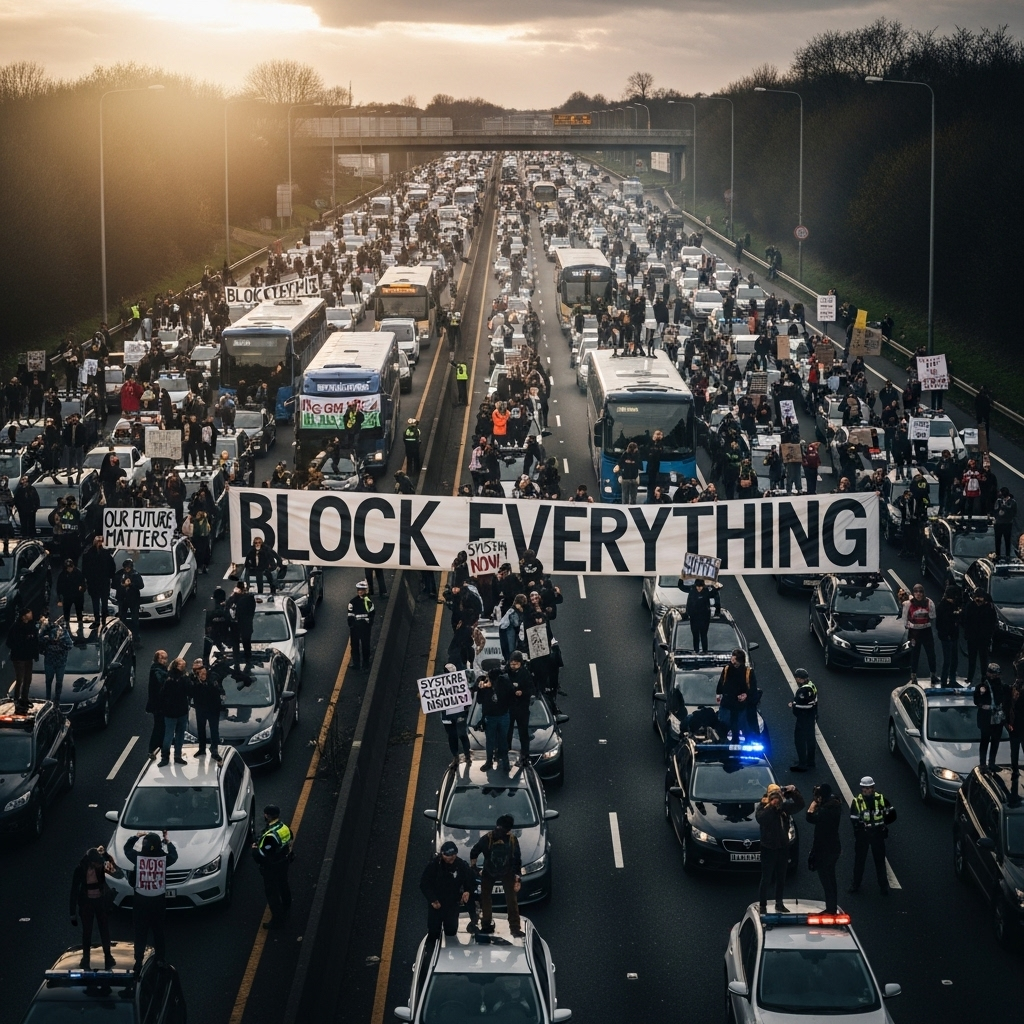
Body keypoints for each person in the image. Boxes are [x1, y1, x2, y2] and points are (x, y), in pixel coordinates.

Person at [469, 814, 523, 937]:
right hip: (507, 872)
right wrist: (517, 877)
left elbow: (474, 851)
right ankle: (515, 929)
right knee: (511, 900)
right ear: (509, 829)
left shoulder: (486, 838)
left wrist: (475, 868)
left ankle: (486, 925)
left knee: (486, 899)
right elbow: (517, 859)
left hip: (488, 872)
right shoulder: (512, 839)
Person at [755, 783, 804, 913]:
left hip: (783, 847)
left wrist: (794, 791)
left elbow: (800, 805)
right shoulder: (762, 807)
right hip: (768, 848)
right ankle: (762, 905)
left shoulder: (784, 807)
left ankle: (779, 903)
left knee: (781, 877)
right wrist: (771, 806)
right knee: (766, 877)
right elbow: (761, 819)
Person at [69, 846, 121, 969]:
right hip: (86, 904)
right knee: (87, 931)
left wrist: (107, 856)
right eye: (98, 864)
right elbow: (74, 890)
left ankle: (108, 955)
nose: (100, 866)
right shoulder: (80, 870)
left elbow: (117, 873)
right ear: (91, 862)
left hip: (100, 902)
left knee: (104, 929)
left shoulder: (101, 866)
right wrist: (72, 912)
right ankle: (86, 956)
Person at [848, 776, 896, 896]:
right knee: (860, 861)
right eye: (865, 788)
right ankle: (857, 884)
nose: (866, 790)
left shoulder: (880, 800)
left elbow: (892, 814)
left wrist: (882, 824)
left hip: (875, 834)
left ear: (873, 788)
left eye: (868, 788)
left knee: (878, 861)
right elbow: (853, 819)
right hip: (867, 835)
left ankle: (882, 887)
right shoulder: (858, 801)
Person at [420, 841, 474, 941]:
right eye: (448, 855)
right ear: (443, 854)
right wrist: (433, 900)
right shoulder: (434, 865)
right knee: (434, 932)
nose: (451, 857)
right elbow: (424, 884)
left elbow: (469, 878)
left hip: (452, 904)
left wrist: (467, 891)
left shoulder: (461, 864)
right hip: (437, 904)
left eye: (454, 855)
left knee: (451, 931)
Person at [251, 804, 293, 929]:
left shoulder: (270, 836)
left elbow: (262, 855)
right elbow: (290, 839)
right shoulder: (284, 827)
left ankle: (278, 920)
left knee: (272, 893)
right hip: (284, 862)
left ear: (267, 815)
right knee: (283, 883)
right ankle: (287, 903)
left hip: (272, 868)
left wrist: (254, 850)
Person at [805, 782, 842, 913]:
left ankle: (831, 908)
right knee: (830, 877)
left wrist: (812, 808)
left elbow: (811, 818)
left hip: (825, 849)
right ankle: (831, 906)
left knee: (826, 879)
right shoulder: (835, 805)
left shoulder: (825, 812)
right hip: (834, 847)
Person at [475, 667, 513, 770]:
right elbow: (479, 700)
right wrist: (481, 688)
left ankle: (505, 762)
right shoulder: (485, 687)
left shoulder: (504, 685)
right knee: (490, 741)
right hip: (490, 717)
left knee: (503, 740)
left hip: (503, 716)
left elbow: (511, 697)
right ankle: (489, 762)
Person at [901, 584, 938, 684]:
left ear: (923, 593)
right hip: (914, 632)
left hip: (926, 630)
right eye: (916, 592)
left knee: (931, 654)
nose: (918, 594)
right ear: (913, 593)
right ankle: (913, 676)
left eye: (920, 592)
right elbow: (904, 618)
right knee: (914, 654)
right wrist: (908, 627)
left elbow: (933, 616)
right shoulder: (908, 604)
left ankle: (933, 675)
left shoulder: (929, 603)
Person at [189, 658, 224, 762]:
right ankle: (202, 748)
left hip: (213, 708)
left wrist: (206, 683)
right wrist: (198, 682)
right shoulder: (194, 679)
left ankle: (214, 750)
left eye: (202, 670)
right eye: (198, 671)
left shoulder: (213, 677)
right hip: (200, 708)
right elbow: (191, 692)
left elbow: (217, 690)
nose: (201, 674)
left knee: (214, 729)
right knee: (201, 729)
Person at [716, 649, 754, 743]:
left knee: (742, 729)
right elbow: (721, 686)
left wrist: (746, 695)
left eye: (735, 661)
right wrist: (719, 695)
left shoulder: (748, 672)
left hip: (741, 707)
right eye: (732, 660)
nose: (733, 663)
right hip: (727, 705)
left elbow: (753, 689)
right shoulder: (727, 669)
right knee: (723, 728)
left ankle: (741, 743)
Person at [962, 588, 997, 684]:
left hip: (983, 639)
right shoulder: (970, 606)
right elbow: (966, 621)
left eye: (980, 598)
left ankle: (984, 678)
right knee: (972, 660)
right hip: (973, 638)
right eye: (976, 598)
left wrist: (989, 636)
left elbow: (992, 624)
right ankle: (970, 678)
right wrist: (967, 634)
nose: (978, 600)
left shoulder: (989, 608)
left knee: (983, 661)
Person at [158, 658, 189, 766]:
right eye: (182, 665)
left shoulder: (168, 678)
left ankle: (165, 758)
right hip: (181, 712)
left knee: (169, 735)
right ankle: (177, 756)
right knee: (179, 735)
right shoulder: (184, 679)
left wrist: (163, 709)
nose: (183, 667)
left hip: (170, 712)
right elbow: (189, 692)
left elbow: (162, 695)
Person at [8, 607, 39, 712]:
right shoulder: (16, 627)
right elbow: (9, 642)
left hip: (28, 657)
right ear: (24, 616)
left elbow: (35, 640)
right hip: (19, 657)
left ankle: (24, 698)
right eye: (29, 613)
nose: (31, 615)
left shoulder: (31, 626)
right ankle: (17, 699)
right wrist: (21, 645)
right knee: (20, 678)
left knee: (28, 679)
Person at [975, 663, 1005, 769]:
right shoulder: (983, 686)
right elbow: (976, 700)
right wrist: (983, 705)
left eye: (996, 674)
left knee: (995, 741)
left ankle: (992, 763)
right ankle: (983, 764)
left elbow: (1004, 699)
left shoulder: (1001, 686)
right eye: (992, 673)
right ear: (988, 673)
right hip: (986, 719)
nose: (995, 676)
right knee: (985, 741)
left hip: (997, 718)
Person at [788, 668, 818, 772]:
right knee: (810, 739)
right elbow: (813, 703)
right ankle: (811, 761)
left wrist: (794, 705)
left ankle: (802, 763)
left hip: (804, 718)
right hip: (812, 717)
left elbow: (804, 705)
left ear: (800, 679)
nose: (796, 680)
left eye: (796, 678)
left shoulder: (803, 690)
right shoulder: (812, 685)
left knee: (799, 740)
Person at [506, 652, 533, 768]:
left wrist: (523, 693)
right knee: (507, 733)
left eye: (515, 664)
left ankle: (525, 756)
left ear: (520, 664)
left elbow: (532, 689)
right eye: (511, 664)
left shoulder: (526, 674)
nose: (513, 667)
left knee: (523, 733)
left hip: (522, 708)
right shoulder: (506, 673)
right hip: (510, 707)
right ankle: (506, 753)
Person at [82, 536, 116, 625]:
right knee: (95, 602)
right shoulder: (88, 554)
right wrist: (88, 579)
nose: (99, 543)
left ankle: (104, 618)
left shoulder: (106, 554)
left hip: (104, 581)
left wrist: (109, 576)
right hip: (94, 582)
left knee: (104, 602)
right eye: (98, 541)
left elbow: (112, 566)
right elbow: (85, 569)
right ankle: (97, 619)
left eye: (101, 541)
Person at [40, 615, 74, 704]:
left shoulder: (64, 634)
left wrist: (61, 644)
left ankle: (57, 699)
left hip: (60, 663)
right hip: (49, 662)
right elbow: (40, 639)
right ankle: (47, 699)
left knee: (59, 682)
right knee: (48, 681)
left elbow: (70, 646)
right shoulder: (47, 634)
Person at [225, 581, 257, 669]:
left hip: (237, 626)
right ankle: (246, 660)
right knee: (245, 643)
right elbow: (251, 612)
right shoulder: (248, 599)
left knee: (238, 644)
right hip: (243, 626)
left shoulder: (234, 599)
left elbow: (227, 610)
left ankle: (238, 661)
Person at [347, 580, 375, 671]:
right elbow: (350, 615)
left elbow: (372, 614)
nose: (360, 591)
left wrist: (369, 624)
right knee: (354, 646)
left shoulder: (369, 602)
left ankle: (366, 665)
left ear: (365, 590)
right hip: (355, 627)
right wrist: (351, 625)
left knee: (365, 646)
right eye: (359, 589)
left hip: (365, 627)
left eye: (362, 590)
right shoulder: (352, 602)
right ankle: (356, 664)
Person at [936, 586, 961, 686]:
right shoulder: (942, 607)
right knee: (948, 660)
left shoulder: (953, 605)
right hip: (946, 637)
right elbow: (940, 624)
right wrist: (945, 635)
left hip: (953, 635)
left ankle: (952, 679)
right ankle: (944, 680)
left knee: (954, 659)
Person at [55, 558, 87, 634]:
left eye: (70, 567)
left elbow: (84, 584)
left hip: (77, 595)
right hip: (67, 595)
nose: (69, 569)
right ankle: (67, 624)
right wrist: (59, 599)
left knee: (79, 610)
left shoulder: (78, 573)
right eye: (68, 567)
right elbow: (59, 587)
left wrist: (82, 588)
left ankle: (80, 625)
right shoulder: (63, 575)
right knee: (66, 611)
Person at [114, 558, 143, 637]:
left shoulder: (135, 574)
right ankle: (122, 636)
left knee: (135, 620)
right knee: (122, 619)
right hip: (123, 599)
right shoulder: (119, 574)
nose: (127, 569)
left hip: (133, 600)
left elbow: (140, 585)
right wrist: (122, 584)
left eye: (129, 567)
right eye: (126, 567)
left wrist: (131, 584)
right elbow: (113, 585)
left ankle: (136, 637)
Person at [204, 587, 231, 664]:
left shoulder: (210, 611)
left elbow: (207, 627)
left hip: (212, 639)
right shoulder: (227, 610)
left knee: (208, 659)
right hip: (225, 639)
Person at [686, 578, 712, 652]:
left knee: (704, 635)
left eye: (700, 587)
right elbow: (689, 604)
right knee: (695, 635)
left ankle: (705, 651)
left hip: (704, 618)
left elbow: (713, 593)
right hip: (694, 618)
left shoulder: (706, 592)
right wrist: (689, 613)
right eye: (697, 586)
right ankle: (696, 650)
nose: (699, 588)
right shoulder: (692, 592)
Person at [993, 487, 1017, 559]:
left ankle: (1007, 556)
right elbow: (995, 510)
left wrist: (1005, 508)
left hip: (1007, 523)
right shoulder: (998, 501)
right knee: (998, 540)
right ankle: (998, 555)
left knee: (1007, 540)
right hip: (999, 523)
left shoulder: (1012, 502)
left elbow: (1013, 512)